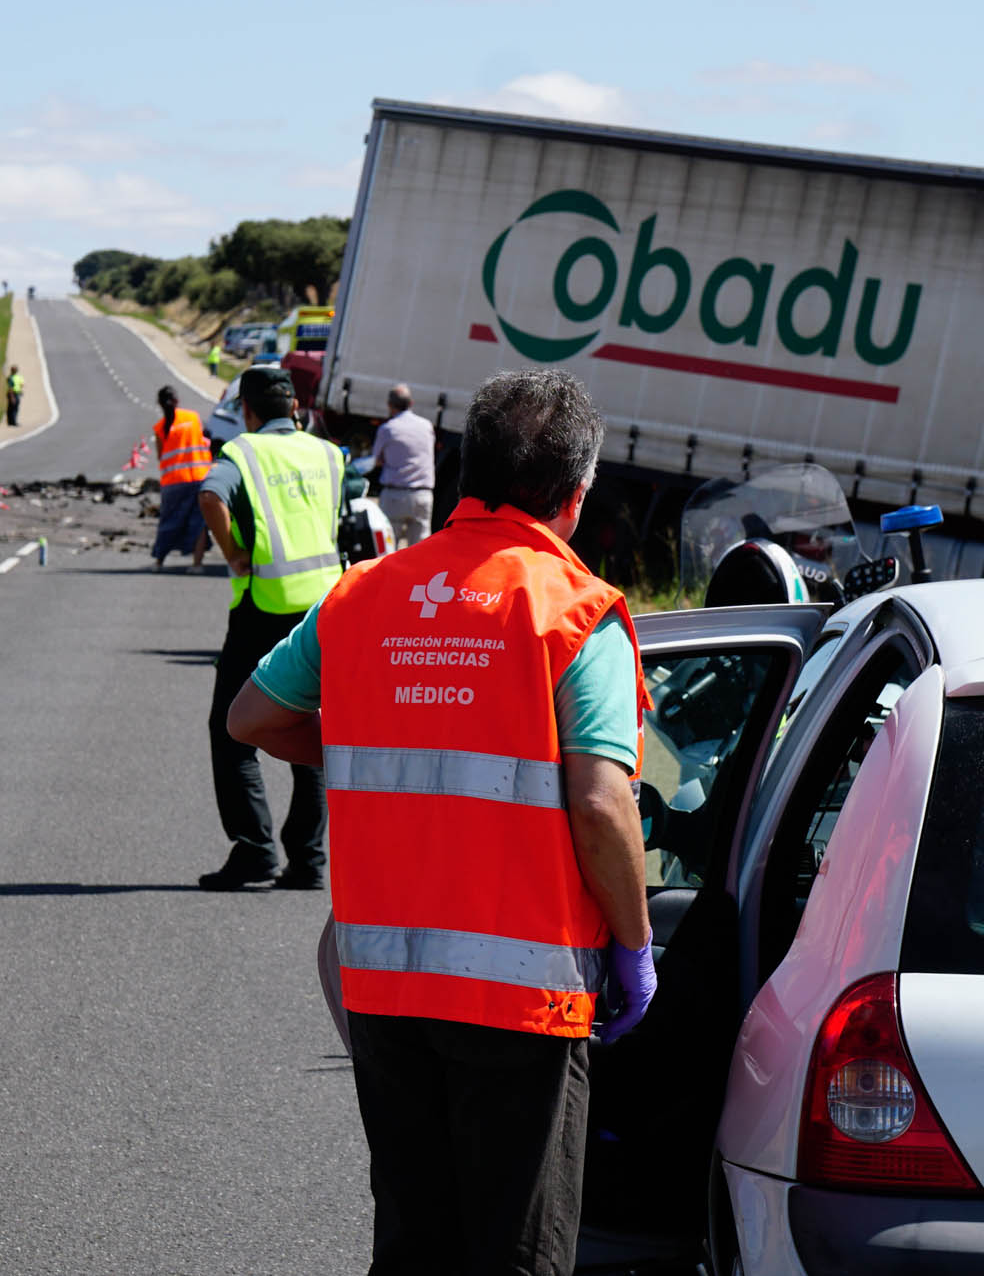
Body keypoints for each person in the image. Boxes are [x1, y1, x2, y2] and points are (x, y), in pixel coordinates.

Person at [227, 369, 656, 1273]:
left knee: (414, 1242)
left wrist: (359, 745)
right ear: (576, 496)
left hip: (383, 985)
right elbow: (598, 800)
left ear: (465, 474)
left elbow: (253, 719)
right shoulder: (574, 615)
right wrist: (635, 943)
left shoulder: (363, 595)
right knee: (516, 1252)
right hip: (522, 1000)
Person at [196, 366, 346, 891]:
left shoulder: (242, 453)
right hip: (326, 609)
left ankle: (255, 849)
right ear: (295, 408)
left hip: (265, 607)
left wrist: (234, 553)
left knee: (232, 730)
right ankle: (308, 859)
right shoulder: (328, 454)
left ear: (248, 412)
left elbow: (210, 496)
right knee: (313, 730)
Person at [151, 386, 212, 570]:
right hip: (200, 477)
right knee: (199, 523)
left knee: (169, 521)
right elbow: (203, 440)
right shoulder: (193, 417)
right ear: (177, 401)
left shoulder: (161, 428)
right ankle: (197, 564)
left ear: (160, 405)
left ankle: (159, 561)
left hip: (175, 481)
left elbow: (161, 456)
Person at [371, 383, 436, 548]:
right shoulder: (426, 426)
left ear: (389, 405)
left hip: (395, 496)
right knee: (421, 552)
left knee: (389, 550)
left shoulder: (388, 429)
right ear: (411, 403)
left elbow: (376, 460)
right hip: (423, 496)